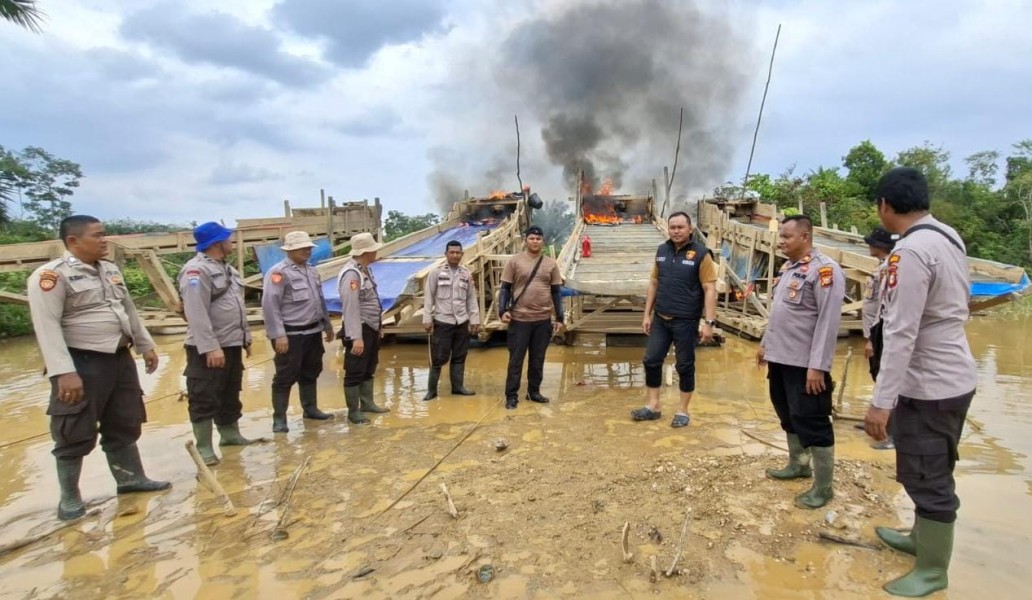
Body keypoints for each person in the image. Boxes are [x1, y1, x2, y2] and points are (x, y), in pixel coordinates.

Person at [864, 167, 977, 597]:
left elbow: (900, 331)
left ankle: (932, 570)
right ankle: (920, 537)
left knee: (929, 476)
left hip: (929, 383)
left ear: (885, 206)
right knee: (931, 466)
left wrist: (881, 400)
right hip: (955, 374)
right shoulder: (948, 237)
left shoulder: (909, 252)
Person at [27, 215, 170, 521]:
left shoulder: (110, 269)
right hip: (81, 362)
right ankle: (69, 497)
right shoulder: (51, 276)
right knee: (74, 429)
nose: (105, 240)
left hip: (118, 357)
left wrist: (145, 346)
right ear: (73, 242)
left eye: (105, 235)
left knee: (124, 420)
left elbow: (127, 310)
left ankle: (130, 479)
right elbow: (46, 326)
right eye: (98, 235)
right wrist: (63, 372)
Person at [756, 214, 845, 510]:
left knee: (814, 421)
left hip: (805, 364)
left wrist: (818, 366)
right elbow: (780, 313)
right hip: (779, 358)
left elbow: (828, 323)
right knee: (787, 414)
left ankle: (823, 488)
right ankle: (798, 464)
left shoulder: (824, 271)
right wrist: (764, 344)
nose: (780, 241)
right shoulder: (789, 268)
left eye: (786, 237)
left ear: (805, 237)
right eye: (780, 236)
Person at [178, 222, 259, 466]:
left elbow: (236, 307)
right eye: (228, 239)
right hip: (208, 347)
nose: (232, 242)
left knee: (229, 391)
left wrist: (245, 339)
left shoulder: (228, 270)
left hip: (231, 342)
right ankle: (204, 447)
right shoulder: (196, 271)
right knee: (204, 394)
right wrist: (211, 346)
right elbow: (196, 311)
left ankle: (230, 435)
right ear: (216, 243)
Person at [631, 211, 717, 428]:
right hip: (661, 318)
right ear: (668, 229)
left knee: (685, 365)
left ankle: (683, 410)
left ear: (690, 229)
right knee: (651, 360)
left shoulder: (701, 254)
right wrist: (646, 315)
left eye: (680, 227)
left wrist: (709, 322)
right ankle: (653, 406)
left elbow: (710, 289)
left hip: (686, 320)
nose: (676, 231)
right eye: (673, 227)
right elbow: (653, 283)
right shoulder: (662, 250)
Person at [261, 231, 335, 433]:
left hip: (312, 332)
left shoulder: (311, 271)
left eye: (308, 248)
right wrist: (278, 335)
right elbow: (270, 305)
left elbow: (319, 301)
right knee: (285, 376)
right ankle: (279, 419)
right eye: (302, 249)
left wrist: (327, 325)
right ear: (290, 250)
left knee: (311, 372)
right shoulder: (278, 273)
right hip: (290, 335)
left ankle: (310, 409)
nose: (307, 251)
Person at [498, 225, 564, 410]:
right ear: (525, 240)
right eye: (532, 238)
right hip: (520, 319)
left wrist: (559, 318)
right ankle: (511, 395)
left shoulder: (551, 263)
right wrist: (502, 311)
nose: (535, 241)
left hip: (542, 319)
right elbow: (505, 288)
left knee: (538, 359)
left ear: (543, 241)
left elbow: (556, 292)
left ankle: (533, 391)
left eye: (538, 239)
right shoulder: (514, 262)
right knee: (516, 359)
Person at [337, 232, 390, 425]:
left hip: (371, 327)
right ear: (366, 251)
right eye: (373, 249)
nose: (376, 252)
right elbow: (350, 307)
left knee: (369, 367)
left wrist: (378, 327)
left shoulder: (364, 270)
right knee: (355, 370)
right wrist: (355, 337)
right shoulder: (352, 274)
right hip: (359, 328)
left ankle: (367, 403)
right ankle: (354, 412)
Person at [422, 240, 481, 401]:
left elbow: (471, 299)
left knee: (460, 355)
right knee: (438, 357)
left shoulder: (466, 274)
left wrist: (474, 319)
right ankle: (431, 390)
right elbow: (429, 296)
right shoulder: (436, 273)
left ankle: (458, 387)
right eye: (452, 252)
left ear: (462, 254)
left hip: (461, 321)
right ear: (446, 254)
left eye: (458, 253)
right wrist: (427, 318)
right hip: (443, 321)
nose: (455, 255)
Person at [861, 226, 897, 450]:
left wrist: (872, 338)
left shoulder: (889, 269)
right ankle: (878, 421)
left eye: (872, 242)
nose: (869, 245)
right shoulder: (882, 267)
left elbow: (884, 306)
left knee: (887, 377)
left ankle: (891, 432)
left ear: (881, 246)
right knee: (878, 375)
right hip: (875, 329)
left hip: (881, 329)